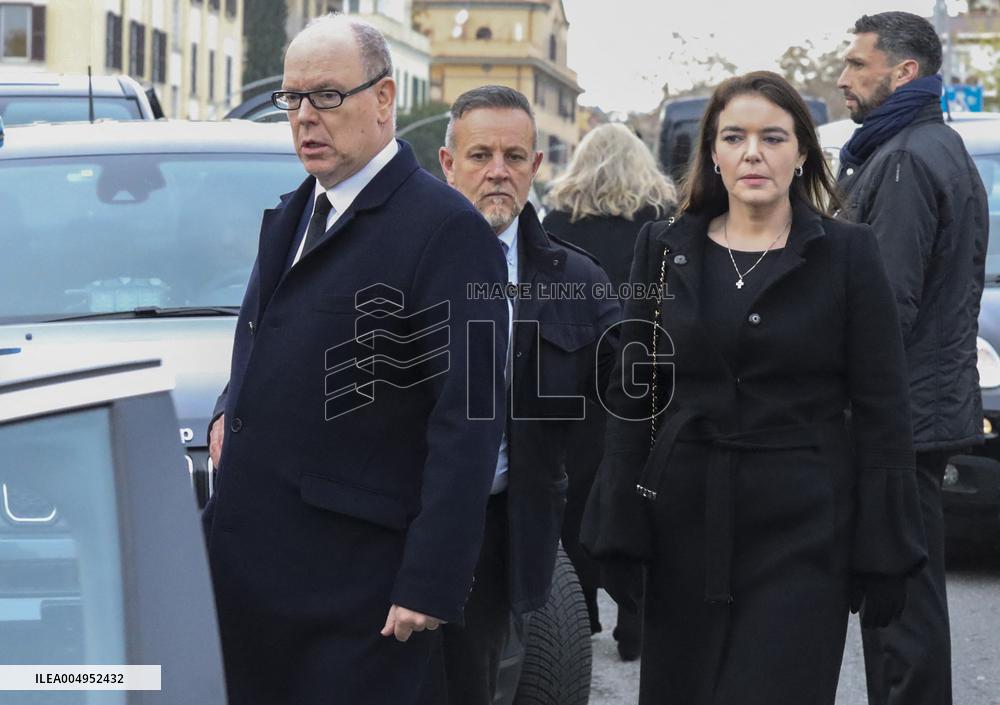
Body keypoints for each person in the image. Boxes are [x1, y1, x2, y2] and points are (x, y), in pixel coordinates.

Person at [580, 71, 927, 705]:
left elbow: (883, 404)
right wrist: (618, 516)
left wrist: (886, 538)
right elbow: (635, 392)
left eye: (773, 137)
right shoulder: (662, 246)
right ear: (713, 152)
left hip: (804, 525)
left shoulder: (848, 252)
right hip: (683, 519)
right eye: (734, 137)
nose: (752, 153)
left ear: (801, 153)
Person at [202, 16, 509, 705]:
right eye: (292, 99)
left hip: (361, 595)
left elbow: (472, 416)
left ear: (384, 98)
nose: (305, 117)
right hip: (254, 578)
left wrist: (431, 579)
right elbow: (272, 342)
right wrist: (229, 407)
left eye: (327, 96)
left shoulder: (448, 232)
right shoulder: (291, 213)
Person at [437, 85, 620, 705]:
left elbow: (630, 395)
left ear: (536, 168)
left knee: (473, 687)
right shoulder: (398, 261)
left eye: (514, 157)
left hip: (498, 534)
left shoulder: (577, 280)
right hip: (394, 525)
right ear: (448, 163)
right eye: (480, 154)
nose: (497, 172)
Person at [835, 12, 990, 705]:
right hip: (918, 409)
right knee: (907, 587)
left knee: (901, 598)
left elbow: (882, 311)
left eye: (857, 64)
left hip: (898, 417)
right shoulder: (930, 146)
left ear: (904, 72)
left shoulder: (901, 159)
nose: (842, 77)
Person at [542, 122, 677, 660]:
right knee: (640, 492)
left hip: (576, 376)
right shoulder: (660, 223)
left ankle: (583, 613)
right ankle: (636, 619)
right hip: (645, 371)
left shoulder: (556, 221)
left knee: (575, 497)